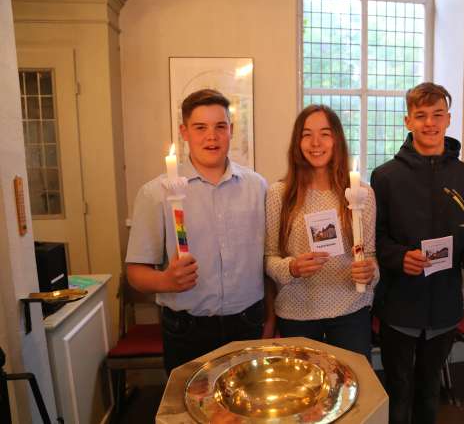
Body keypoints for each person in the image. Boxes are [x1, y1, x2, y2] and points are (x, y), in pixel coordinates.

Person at [370, 82, 464, 424]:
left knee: (430, 388)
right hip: (400, 305)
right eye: (421, 115)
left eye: (437, 115)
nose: (430, 123)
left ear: (448, 119)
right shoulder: (385, 177)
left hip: (444, 306)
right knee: (398, 388)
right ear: (407, 121)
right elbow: (376, 238)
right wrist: (400, 258)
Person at [125, 89, 269, 373]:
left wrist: (270, 319)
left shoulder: (257, 187)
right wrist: (166, 280)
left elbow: (267, 261)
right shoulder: (156, 193)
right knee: (189, 413)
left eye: (220, 127)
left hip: (247, 324)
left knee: (246, 413)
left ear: (231, 130)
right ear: (185, 132)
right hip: (187, 330)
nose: (211, 136)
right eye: (200, 127)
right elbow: (135, 273)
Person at [264, 104, 378, 358]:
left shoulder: (362, 194)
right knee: (303, 393)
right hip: (296, 313)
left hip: (350, 311)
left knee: (353, 390)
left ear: (336, 139)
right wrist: (291, 268)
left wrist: (370, 271)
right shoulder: (278, 195)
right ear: (298, 142)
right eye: (307, 134)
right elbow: (269, 258)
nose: (316, 142)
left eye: (325, 133)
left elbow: (370, 254)